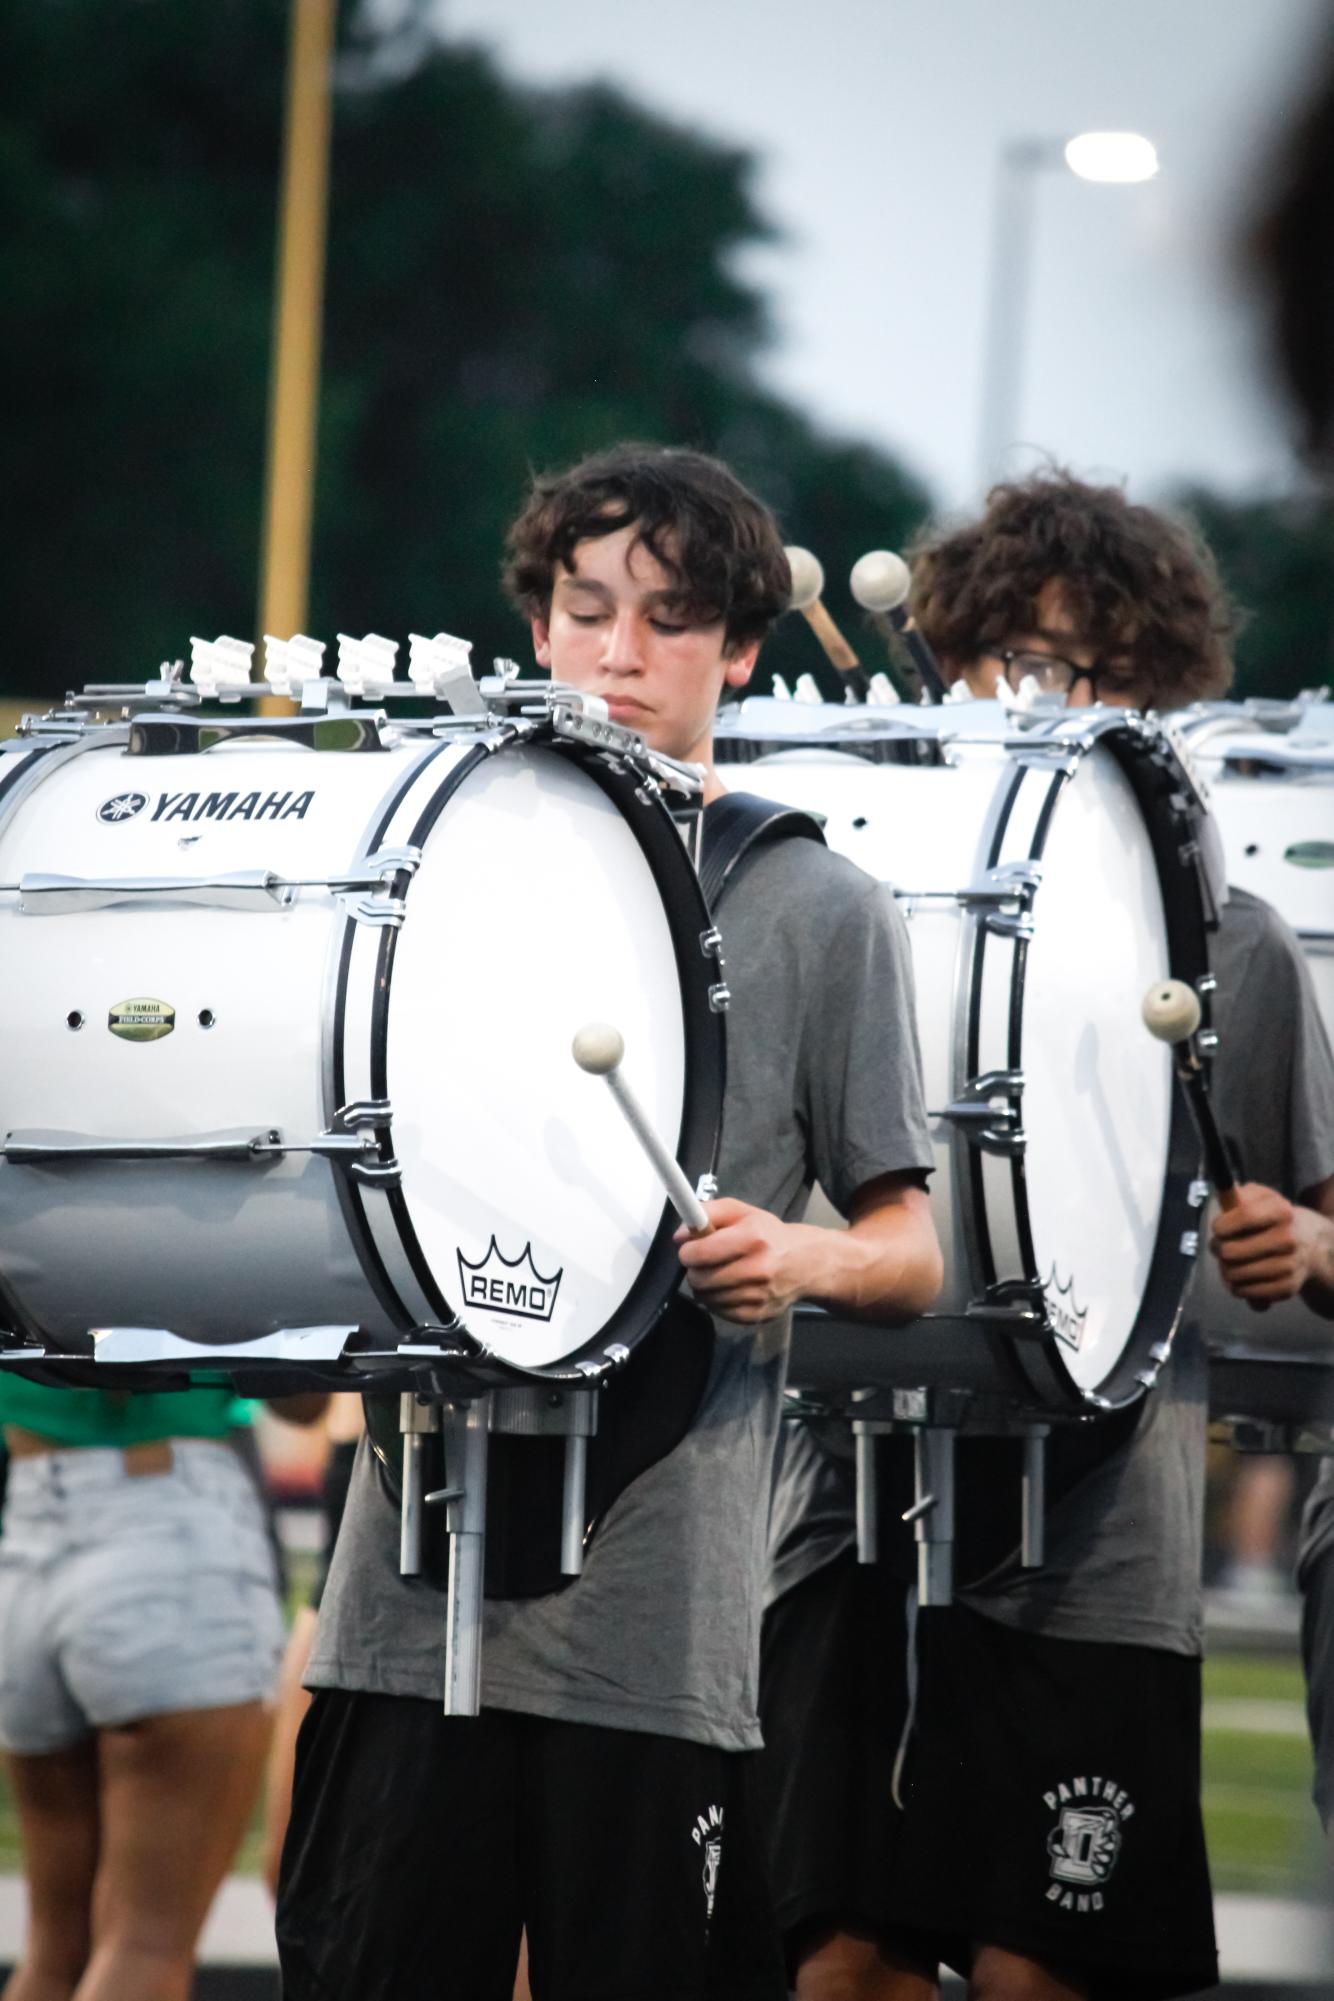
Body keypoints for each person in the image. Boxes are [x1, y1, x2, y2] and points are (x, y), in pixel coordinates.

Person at [274, 443, 943, 2001]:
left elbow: (912, 1250)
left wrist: (795, 1255)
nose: (619, 654)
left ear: (741, 649)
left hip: (653, 1627)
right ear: (537, 624)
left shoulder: (815, 906)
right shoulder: (419, 871)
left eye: (668, 619)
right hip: (404, 1597)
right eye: (585, 610)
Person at [758, 468, 1334, 2001]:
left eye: (1081, 668)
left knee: (1041, 1976)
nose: (1031, 695)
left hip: (1096, 1541)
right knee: (834, 1970)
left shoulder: (1238, 943)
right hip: (844, 1506)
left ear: (1154, 693)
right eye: (998, 657)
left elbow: (1312, 1230)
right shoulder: (851, 900)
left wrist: (1298, 1244)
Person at [0, 1375, 324, 2001]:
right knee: (146, 1946)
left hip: (28, 1518)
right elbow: (301, 1393)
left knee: (51, 1954)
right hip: (172, 1518)